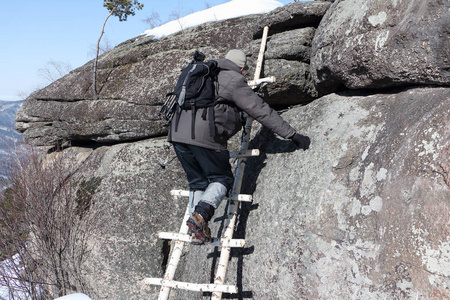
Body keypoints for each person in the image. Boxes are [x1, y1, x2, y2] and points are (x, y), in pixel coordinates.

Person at [168, 49, 310, 244]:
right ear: (241, 67)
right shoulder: (234, 79)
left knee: (197, 182)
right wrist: (291, 134)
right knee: (222, 178)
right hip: (203, 137)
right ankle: (200, 215)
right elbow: (259, 109)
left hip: (176, 133)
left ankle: (196, 230)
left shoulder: (204, 72)